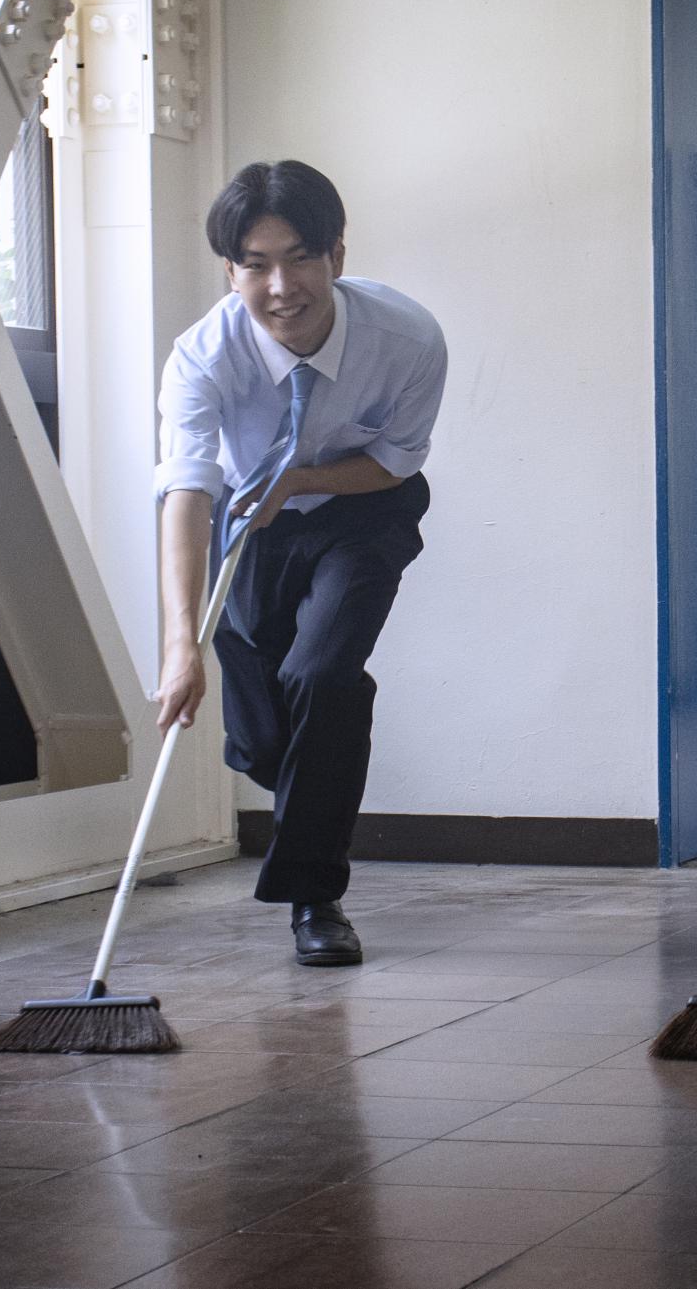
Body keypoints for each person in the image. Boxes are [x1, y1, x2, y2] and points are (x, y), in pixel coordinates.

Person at [153, 160, 445, 966]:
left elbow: (395, 462)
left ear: (337, 257)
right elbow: (186, 490)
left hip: (362, 507)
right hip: (254, 520)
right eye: (255, 264)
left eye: (300, 258)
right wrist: (182, 646)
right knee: (264, 734)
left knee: (323, 675)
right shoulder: (203, 357)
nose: (281, 285)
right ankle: (312, 746)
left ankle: (315, 899)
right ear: (231, 271)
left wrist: (307, 478)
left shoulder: (408, 338)